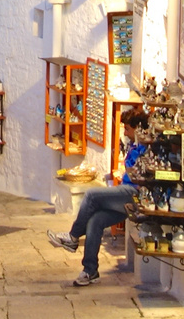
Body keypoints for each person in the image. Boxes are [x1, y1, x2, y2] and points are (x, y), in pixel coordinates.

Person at [48, 110, 150, 286]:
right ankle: (90, 271)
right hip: (125, 190)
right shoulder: (134, 145)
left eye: (127, 129)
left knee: (91, 195)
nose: (125, 133)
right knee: (95, 221)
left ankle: (72, 237)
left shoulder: (146, 148)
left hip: (134, 194)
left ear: (137, 128)